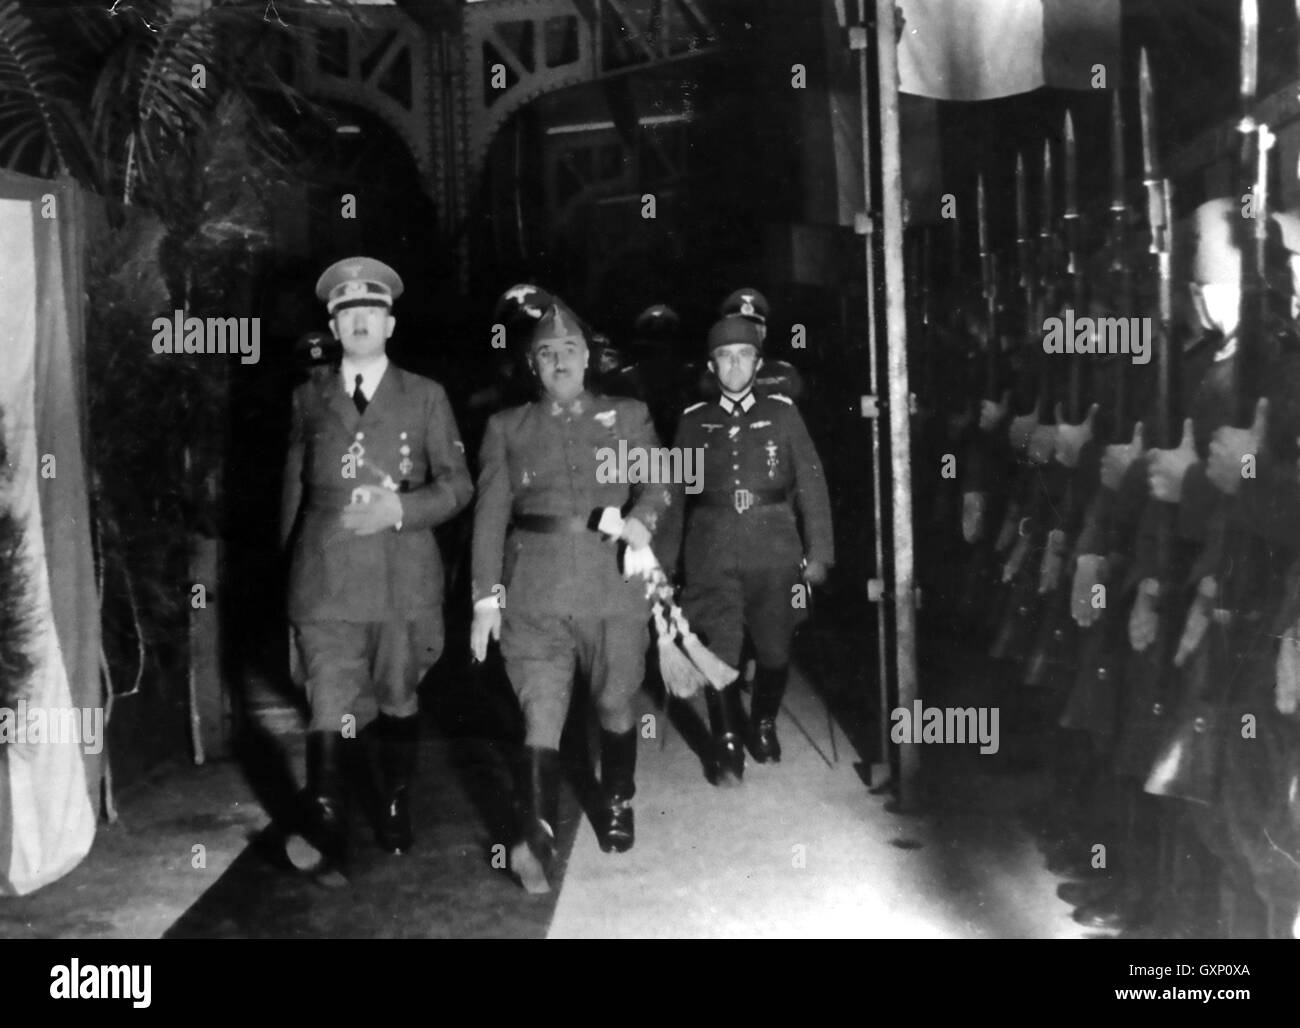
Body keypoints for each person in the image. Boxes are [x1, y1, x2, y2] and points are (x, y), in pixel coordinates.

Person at [280, 256, 473, 877]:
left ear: (390, 325)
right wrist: (290, 570)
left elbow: (459, 485)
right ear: (334, 329)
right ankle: (328, 816)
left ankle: (394, 799)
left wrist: (403, 508)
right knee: (328, 697)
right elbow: (292, 492)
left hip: (401, 575)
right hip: (327, 573)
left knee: (397, 695)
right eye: (347, 313)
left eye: (373, 312)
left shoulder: (426, 396)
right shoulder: (307, 399)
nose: (360, 322)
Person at [470, 300, 670, 893]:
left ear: (588, 358)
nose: (559, 361)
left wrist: (644, 518)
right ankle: (535, 834)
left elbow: (657, 480)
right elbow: (489, 517)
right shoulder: (506, 428)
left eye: (568, 351)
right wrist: (486, 598)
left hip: (612, 584)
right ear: (532, 365)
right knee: (541, 711)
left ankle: (618, 798)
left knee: (614, 699)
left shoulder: (627, 415)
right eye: (546, 353)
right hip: (534, 588)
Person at [657, 315, 833, 784]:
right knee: (720, 647)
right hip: (710, 548)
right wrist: (664, 564)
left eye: (743, 356)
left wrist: (820, 553)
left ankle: (763, 719)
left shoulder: (783, 413)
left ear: (757, 362)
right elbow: (674, 497)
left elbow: (812, 485)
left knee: (775, 650)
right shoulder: (693, 421)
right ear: (712, 366)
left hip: (773, 547)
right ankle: (728, 741)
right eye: (724, 357)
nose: (734, 366)